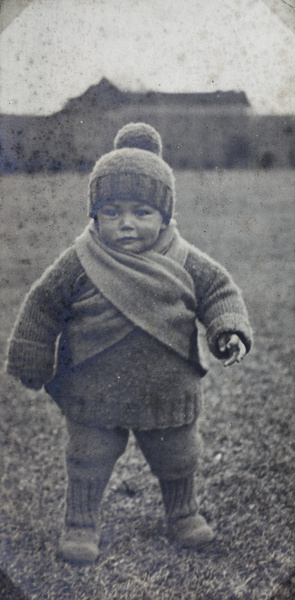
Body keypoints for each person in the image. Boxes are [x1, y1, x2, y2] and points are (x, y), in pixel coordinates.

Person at [6, 122, 252, 564]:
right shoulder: (80, 259)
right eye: (112, 211)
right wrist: (31, 354)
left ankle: (183, 513)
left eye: (141, 212)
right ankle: (80, 523)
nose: (125, 224)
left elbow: (219, 292)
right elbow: (42, 304)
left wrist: (227, 329)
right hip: (93, 386)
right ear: (94, 215)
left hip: (167, 386)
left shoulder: (185, 258)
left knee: (177, 455)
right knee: (87, 457)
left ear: (165, 215)